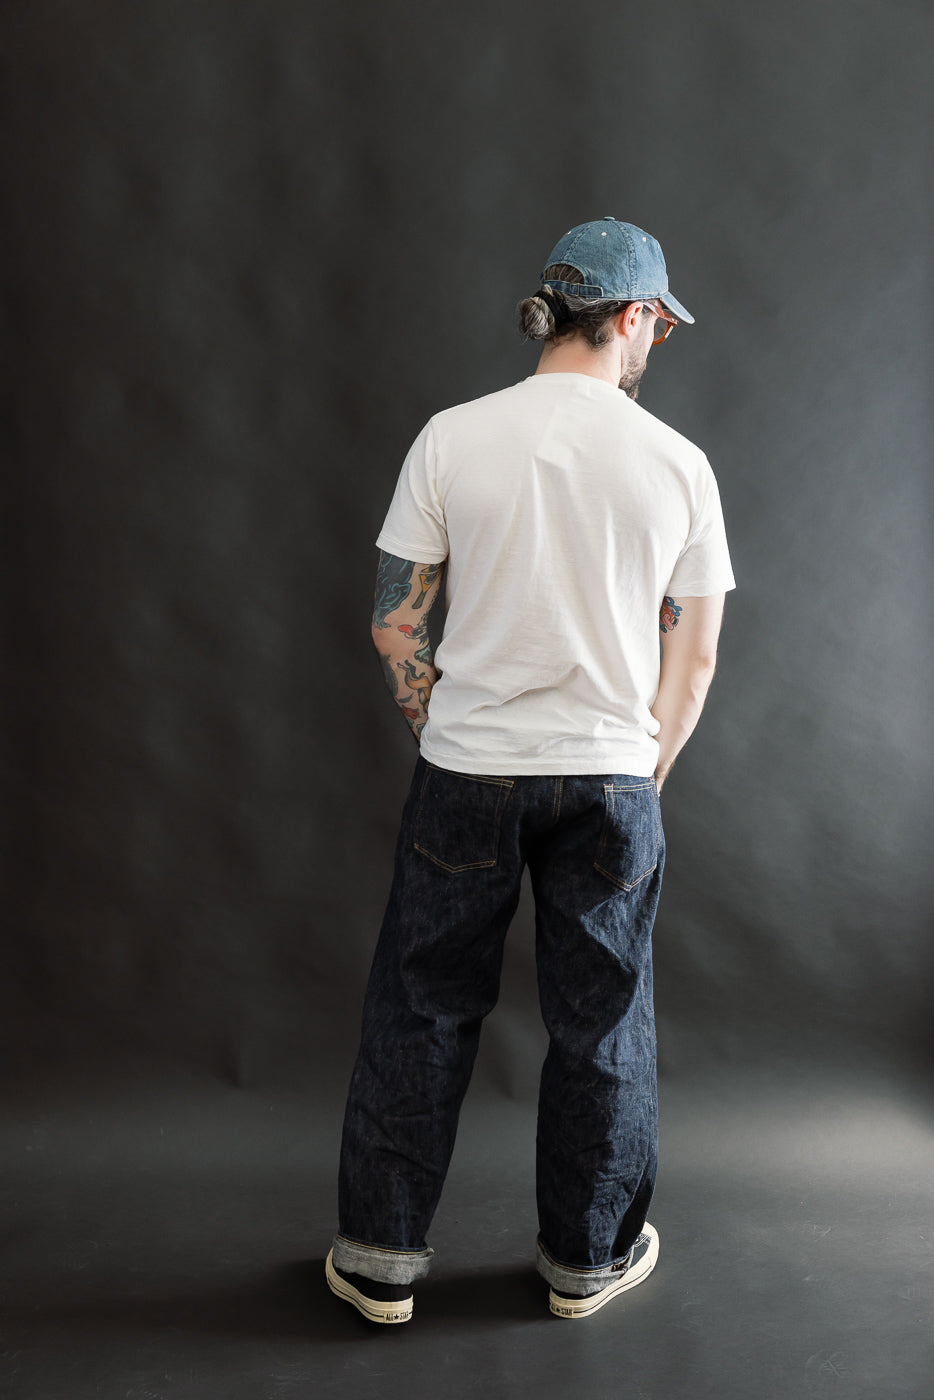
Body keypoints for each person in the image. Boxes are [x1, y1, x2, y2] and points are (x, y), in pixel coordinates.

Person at [326, 216, 736, 1324]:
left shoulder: (451, 437)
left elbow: (395, 627)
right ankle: (584, 1261)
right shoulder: (677, 464)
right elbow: (690, 657)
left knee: (420, 1004)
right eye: (658, 322)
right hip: (610, 774)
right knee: (602, 1021)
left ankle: (379, 1262)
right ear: (636, 315)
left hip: (465, 766)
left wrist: (449, 735)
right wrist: (635, 769)